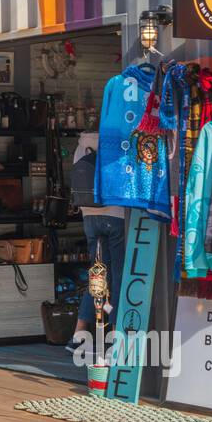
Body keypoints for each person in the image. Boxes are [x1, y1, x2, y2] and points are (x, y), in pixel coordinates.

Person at [71, 131, 126, 346]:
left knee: (97, 274)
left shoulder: (80, 147)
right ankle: (115, 335)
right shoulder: (116, 142)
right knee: (119, 275)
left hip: (89, 217)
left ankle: (78, 334)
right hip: (116, 215)